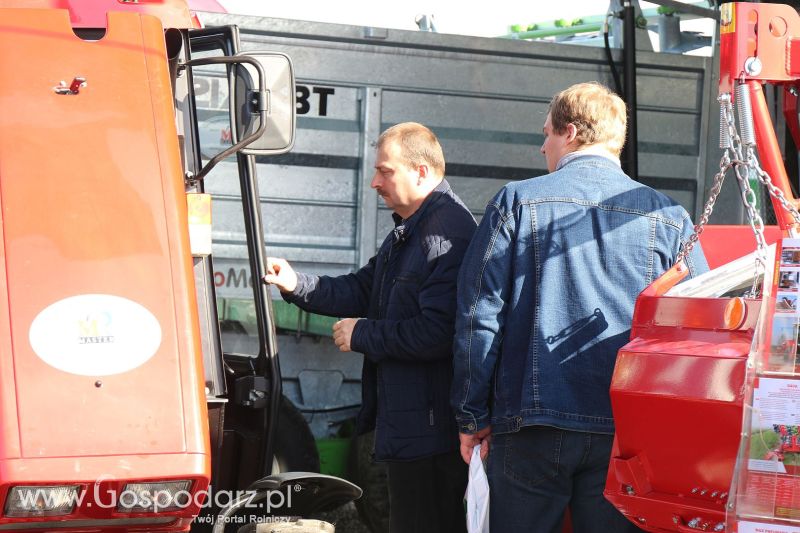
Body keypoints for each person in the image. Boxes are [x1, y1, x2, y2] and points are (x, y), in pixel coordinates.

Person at [451, 82, 708, 532]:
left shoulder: (517, 200)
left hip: (531, 423)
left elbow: (479, 315)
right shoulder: (671, 218)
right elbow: (701, 327)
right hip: (626, 430)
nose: (542, 145)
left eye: (546, 133)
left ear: (569, 133)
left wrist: (472, 416)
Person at [264, 122, 476, 533]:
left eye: (386, 171)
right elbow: (365, 288)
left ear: (421, 171)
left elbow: (437, 333)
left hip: (430, 434)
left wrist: (363, 334)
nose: (375, 182)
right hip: (413, 427)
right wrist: (297, 284)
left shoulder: (444, 234)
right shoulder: (411, 228)